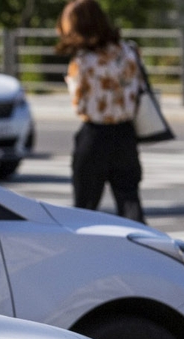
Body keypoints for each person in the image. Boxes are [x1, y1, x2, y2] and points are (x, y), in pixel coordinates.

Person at [56, 0, 146, 223]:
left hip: (94, 136)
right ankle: (142, 252)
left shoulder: (82, 61)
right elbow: (139, 89)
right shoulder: (129, 52)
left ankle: (84, 256)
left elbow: (79, 106)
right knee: (130, 202)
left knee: (85, 208)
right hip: (125, 134)